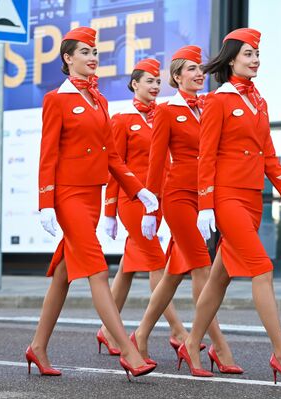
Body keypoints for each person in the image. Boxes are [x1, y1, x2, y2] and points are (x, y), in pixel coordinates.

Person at [184, 28, 281, 385]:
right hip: (226, 198)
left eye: (257, 54)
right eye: (248, 54)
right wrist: (206, 204)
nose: (255, 60)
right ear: (231, 60)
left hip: (252, 198)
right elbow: (205, 156)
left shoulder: (259, 100)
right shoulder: (218, 100)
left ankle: (192, 343)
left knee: (220, 276)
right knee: (262, 268)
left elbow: (267, 154)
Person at [29, 27, 158, 381]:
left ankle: (37, 347)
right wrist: (45, 202)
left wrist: (138, 190)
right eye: (84, 52)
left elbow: (113, 156)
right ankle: (129, 352)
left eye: (95, 51)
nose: (93, 57)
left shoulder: (99, 100)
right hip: (67, 195)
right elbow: (47, 154)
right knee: (98, 270)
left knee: (63, 274)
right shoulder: (57, 99)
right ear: (68, 58)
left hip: (92, 195)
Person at [134, 45, 240, 376]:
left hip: (207, 197)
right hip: (178, 197)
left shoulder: (211, 104)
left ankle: (139, 337)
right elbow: (155, 163)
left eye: (200, 69)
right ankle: (215, 346)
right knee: (202, 267)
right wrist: (151, 208)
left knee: (172, 274)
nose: (198, 74)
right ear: (177, 77)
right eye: (191, 69)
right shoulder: (166, 111)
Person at [98, 59, 192, 357]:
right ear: (134, 84)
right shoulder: (122, 119)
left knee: (128, 267)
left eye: (157, 82)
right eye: (148, 81)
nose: (154, 86)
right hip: (133, 201)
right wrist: (110, 210)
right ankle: (178, 331)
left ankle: (106, 331)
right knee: (156, 263)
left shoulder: (163, 115)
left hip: (161, 199)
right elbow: (115, 166)